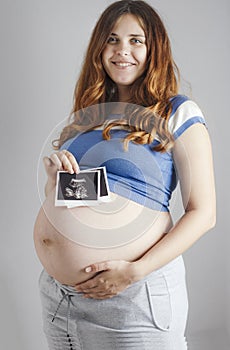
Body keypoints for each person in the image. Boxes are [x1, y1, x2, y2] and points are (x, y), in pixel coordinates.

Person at [33, 1, 216, 349]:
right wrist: (56, 181)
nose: (122, 51)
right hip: (60, 300)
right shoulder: (86, 118)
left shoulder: (176, 112)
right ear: (99, 47)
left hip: (131, 297)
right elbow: (78, 198)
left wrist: (135, 272)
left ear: (154, 48)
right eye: (113, 39)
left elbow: (203, 213)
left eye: (136, 40)